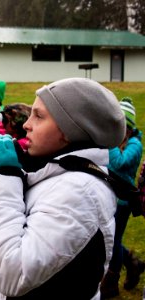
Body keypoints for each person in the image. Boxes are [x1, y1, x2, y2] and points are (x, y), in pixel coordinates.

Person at [0, 78, 126, 299]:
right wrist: (1, 176)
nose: (27, 124)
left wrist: (4, 177)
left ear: (69, 131)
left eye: (39, 116)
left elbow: (13, 273)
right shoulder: (54, 174)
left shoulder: (79, 191)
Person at [100, 97, 144, 298]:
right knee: (107, 239)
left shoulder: (135, 144)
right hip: (108, 196)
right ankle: (132, 263)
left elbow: (118, 163)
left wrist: (109, 142)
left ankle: (111, 282)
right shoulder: (117, 141)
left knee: (113, 242)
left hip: (122, 202)